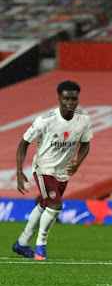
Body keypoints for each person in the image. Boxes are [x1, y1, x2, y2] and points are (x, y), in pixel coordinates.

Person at [12, 80, 93, 260]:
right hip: (44, 168)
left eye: (74, 98)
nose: (71, 102)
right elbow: (23, 143)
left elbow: (86, 144)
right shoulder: (45, 121)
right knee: (55, 206)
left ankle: (22, 243)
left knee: (44, 205)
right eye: (66, 99)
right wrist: (19, 171)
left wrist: (78, 162)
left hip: (63, 171)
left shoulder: (84, 119)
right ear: (59, 99)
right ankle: (41, 246)